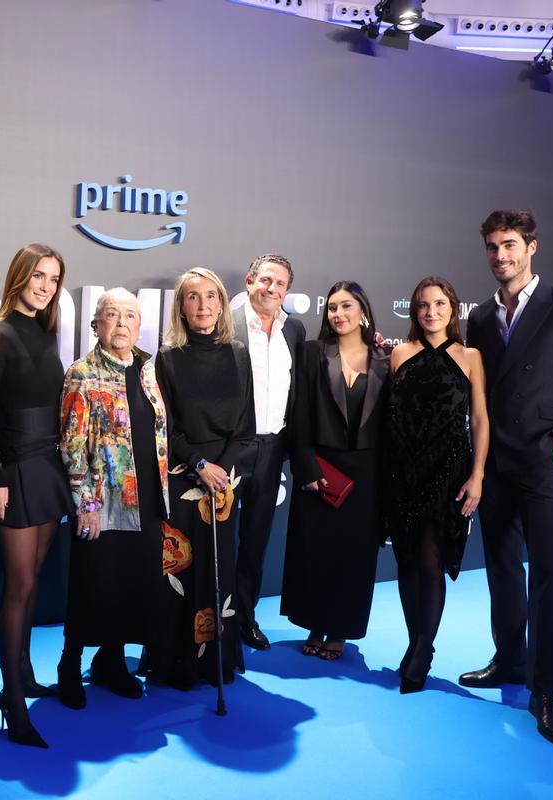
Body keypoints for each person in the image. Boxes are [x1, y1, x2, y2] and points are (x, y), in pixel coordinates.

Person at [460, 210, 553, 745]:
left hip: (544, 464)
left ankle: (545, 691)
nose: (500, 255)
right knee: (502, 569)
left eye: (509, 245)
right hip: (496, 464)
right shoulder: (480, 317)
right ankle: (509, 660)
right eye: (492, 247)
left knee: (547, 577)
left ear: (531, 247)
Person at [0, 243, 75, 748]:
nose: (46, 286)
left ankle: (26, 673)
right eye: (39, 276)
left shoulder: (46, 332)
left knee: (33, 581)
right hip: (13, 470)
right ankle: (12, 700)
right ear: (19, 276)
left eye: (54, 279)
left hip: (49, 468)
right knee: (18, 585)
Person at [58, 289, 170, 708]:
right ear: (96, 324)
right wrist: (85, 504)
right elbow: (71, 445)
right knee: (92, 584)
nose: (121, 323)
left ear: (140, 325)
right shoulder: (81, 372)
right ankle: (70, 663)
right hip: (102, 503)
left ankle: (113, 661)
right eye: (111, 315)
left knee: (129, 585)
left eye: (130, 316)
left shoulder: (148, 368)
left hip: (146, 498)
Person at [148, 268, 254, 689]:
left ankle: (217, 662)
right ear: (181, 307)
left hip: (225, 482)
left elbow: (246, 425)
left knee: (219, 570)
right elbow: (165, 428)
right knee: (180, 572)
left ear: (222, 304)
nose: (204, 305)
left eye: (211, 296)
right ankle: (177, 662)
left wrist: (222, 470)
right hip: (183, 475)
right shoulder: (168, 358)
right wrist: (199, 465)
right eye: (193, 297)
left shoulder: (238, 353)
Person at [386, 277, 489, 693]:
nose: (431, 312)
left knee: (430, 561)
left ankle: (423, 652)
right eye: (424, 305)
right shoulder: (399, 353)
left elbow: (479, 420)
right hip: (402, 471)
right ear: (415, 311)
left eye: (440, 304)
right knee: (407, 561)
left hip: (447, 472)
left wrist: (477, 474)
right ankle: (414, 642)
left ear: (453, 309)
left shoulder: (470, 356)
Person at [281, 281, 389, 661]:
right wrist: (306, 465)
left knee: (353, 555)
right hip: (322, 467)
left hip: (367, 472)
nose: (338, 314)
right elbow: (299, 411)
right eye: (332, 307)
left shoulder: (385, 358)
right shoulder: (313, 352)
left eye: (346, 306)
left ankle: (340, 628)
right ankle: (315, 622)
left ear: (363, 311)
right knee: (316, 550)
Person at [231, 254, 306, 651]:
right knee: (217, 538)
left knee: (255, 540)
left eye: (279, 284)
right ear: (249, 280)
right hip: (231, 448)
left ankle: (245, 616)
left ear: (287, 291)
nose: (271, 288)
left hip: (273, 448)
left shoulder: (294, 329)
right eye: (265, 280)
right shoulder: (225, 324)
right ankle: (209, 619)